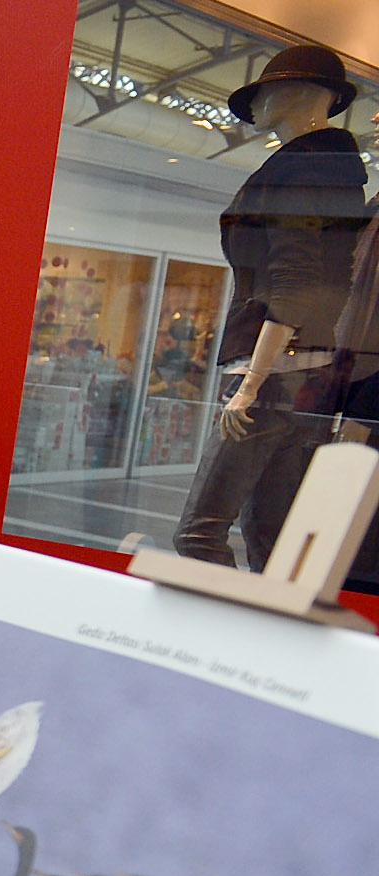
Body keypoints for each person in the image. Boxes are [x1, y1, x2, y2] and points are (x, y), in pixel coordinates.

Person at [171, 44, 368, 569]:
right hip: (308, 377)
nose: (257, 103)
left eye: (266, 91)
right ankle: (271, 643)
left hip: (270, 373)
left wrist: (252, 383)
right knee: (272, 542)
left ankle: (218, 647)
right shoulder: (336, 172)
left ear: (299, 93)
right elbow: (320, 279)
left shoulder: (301, 169)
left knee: (198, 538)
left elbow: (295, 280)